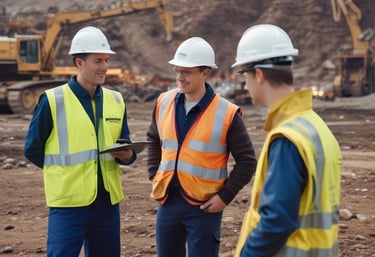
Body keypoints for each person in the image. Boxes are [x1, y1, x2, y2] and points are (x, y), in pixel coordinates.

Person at [24, 26, 136, 257]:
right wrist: (62, 175)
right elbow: (32, 149)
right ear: (79, 62)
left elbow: (125, 144)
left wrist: (129, 156)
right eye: (98, 60)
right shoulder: (53, 100)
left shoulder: (116, 100)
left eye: (106, 60)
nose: (104, 67)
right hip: (68, 204)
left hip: (106, 202)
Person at [231, 24, 342, 257]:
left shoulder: (288, 138)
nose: (244, 85)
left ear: (259, 74)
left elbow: (277, 220)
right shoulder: (316, 126)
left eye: (244, 75)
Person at [146, 36, 257, 257]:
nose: (180, 77)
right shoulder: (163, 102)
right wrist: (154, 175)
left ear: (205, 73)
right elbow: (153, 139)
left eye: (187, 72)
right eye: (178, 70)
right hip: (168, 201)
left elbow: (247, 160)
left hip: (204, 207)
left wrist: (225, 197)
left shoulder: (227, 113)